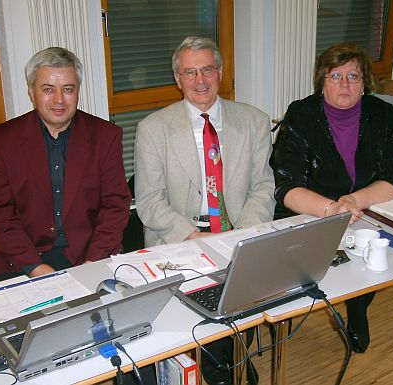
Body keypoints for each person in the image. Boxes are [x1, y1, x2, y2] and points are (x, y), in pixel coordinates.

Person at [135, 36, 275, 385]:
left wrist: (239, 236)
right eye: (190, 72)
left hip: (238, 229)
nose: (200, 80)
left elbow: (263, 186)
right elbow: (150, 200)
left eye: (207, 69)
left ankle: (232, 360)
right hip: (180, 238)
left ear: (221, 72)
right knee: (197, 317)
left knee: (240, 297)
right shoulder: (152, 129)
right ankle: (217, 365)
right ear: (178, 79)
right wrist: (194, 239)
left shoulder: (254, 121)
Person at [271, 42, 393, 353]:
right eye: (335, 76)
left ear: (365, 84)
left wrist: (353, 201)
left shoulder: (383, 115)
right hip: (311, 210)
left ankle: (358, 309)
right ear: (322, 81)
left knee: (378, 258)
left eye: (354, 76)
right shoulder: (302, 114)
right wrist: (333, 208)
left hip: (366, 209)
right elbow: (286, 186)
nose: (344, 84)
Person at [0, 47, 131, 284]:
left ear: (78, 91)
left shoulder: (105, 136)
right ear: (32, 91)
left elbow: (115, 206)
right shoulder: (4, 140)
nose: (59, 100)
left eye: (68, 89)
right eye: (48, 89)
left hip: (90, 255)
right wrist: (36, 268)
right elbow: (0, 214)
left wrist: (92, 264)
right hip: (23, 260)